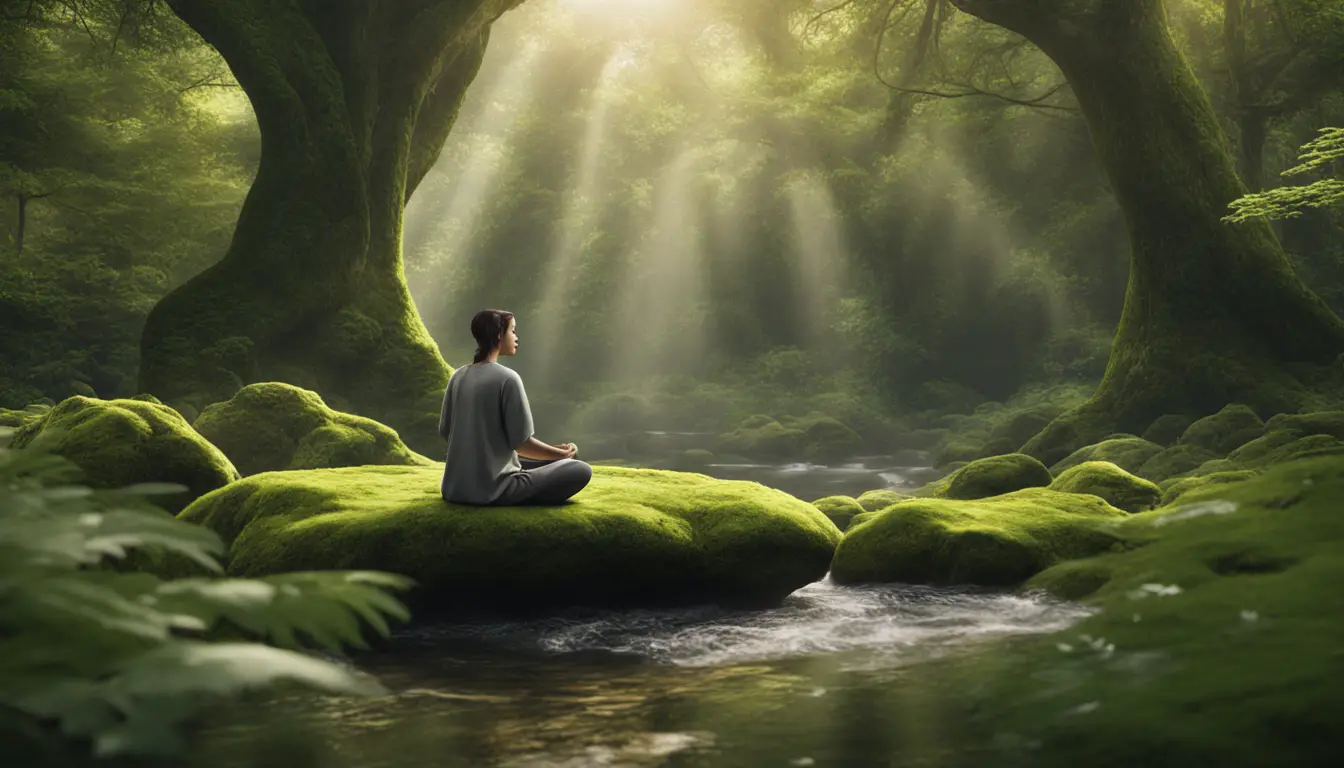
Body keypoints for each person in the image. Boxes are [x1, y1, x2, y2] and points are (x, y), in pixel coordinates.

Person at [438, 309, 593, 505]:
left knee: (545, 462)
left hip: (454, 488)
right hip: (494, 490)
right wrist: (561, 454)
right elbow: (521, 444)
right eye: (513, 331)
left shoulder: (457, 376)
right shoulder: (507, 378)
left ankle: (542, 465)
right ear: (498, 335)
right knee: (579, 469)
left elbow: (445, 431)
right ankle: (534, 481)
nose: (516, 337)